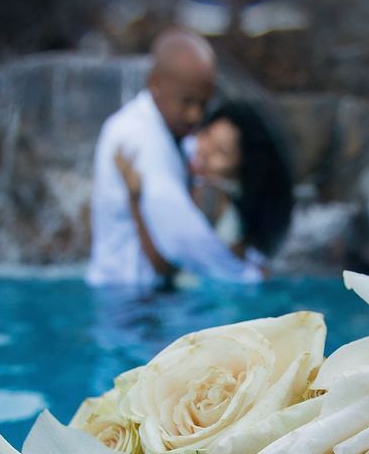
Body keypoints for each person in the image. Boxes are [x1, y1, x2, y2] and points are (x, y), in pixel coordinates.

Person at [86, 28, 263, 287]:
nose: (195, 115)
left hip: (139, 289)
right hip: (126, 293)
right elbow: (181, 240)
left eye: (203, 104)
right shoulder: (138, 137)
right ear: (155, 83)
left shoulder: (172, 133)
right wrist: (242, 274)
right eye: (187, 102)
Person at [113, 99, 294, 280]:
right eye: (206, 134)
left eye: (220, 152)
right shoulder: (228, 202)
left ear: (240, 168)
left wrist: (134, 198)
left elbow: (164, 266)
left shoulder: (210, 196)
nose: (205, 151)